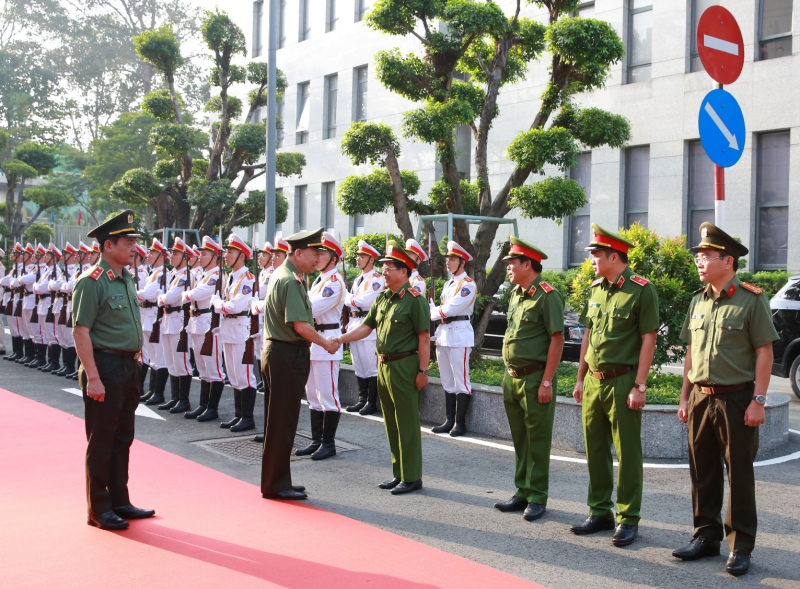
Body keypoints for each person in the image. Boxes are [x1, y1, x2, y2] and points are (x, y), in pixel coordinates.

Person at [671, 223, 778, 576]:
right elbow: (691, 352)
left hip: (737, 399)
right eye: (698, 256)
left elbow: (764, 352)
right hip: (701, 397)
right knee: (701, 470)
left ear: (728, 260)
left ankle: (740, 545)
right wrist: (685, 396)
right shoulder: (697, 300)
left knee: (740, 474)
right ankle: (705, 536)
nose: (699, 262)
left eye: (706, 256)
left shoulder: (752, 299)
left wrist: (758, 400)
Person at [570, 224, 659, 547]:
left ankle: (628, 517)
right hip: (594, 381)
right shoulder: (596, 289)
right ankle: (599, 511)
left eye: (596, 255)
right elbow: (588, 336)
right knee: (595, 450)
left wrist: (640, 385)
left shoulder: (641, 289)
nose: (592, 260)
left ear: (614, 257)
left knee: (627, 452)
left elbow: (649, 338)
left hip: (623, 381)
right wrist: (580, 378)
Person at [71, 209, 153, 530]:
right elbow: (81, 331)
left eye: (134, 242)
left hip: (128, 365)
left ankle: (120, 500)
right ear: (108, 246)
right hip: (104, 366)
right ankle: (99, 508)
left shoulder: (126, 278)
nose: (134, 248)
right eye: (128, 243)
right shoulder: (91, 282)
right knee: (102, 439)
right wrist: (93, 377)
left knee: (122, 437)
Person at [335, 240, 430, 495]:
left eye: (389, 268)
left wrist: (423, 372)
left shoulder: (415, 300)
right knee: (391, 422)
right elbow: (365, 328)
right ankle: (399, 473)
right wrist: (339, 339)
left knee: (407, 423)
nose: (384, 272)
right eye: (384, 267)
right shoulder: (383, 298)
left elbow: (424, 339)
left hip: (405, 366)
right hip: (384, 366)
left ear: (404, 271)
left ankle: (412, 477)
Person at [259, 227, 338, 500]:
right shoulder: (291, 280)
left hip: (280, 353)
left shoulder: (286, 275)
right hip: (286, 355)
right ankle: (276, 484)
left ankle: (278, 480)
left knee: (279, 421)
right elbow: (301, 326)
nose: (318, 259)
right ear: (299, 253)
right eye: (315, 253)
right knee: (282, 422)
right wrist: (326, 343)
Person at [493, 237, 564, 522]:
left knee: (537, 440)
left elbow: (557, 340)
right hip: (513, 378)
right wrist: (506, 372)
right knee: (520, 439)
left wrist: (547, 381)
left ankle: (537, 496)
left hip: (535, 378)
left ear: (528, 264)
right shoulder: (516, 294)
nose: (508, 267)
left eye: (512, 262)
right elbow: (512, 335)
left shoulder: (547, 295)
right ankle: (522, 490)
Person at [295, 232, 345, 461]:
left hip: (327, 342)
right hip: (314, 340)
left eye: (321, 254)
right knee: (313, 395)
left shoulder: (334, 283)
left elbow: (309, 309)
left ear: (333, 258)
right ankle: (316, 440)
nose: (316, 257)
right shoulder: (318, 280)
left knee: (327, 395)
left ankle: (328, 443)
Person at [429, 241, 477, 437]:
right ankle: (449, 420)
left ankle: (460, 423)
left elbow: (450, 309)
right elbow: (443, 310)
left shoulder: (468, 285)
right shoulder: (449, 283)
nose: (448, 262)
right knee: (447, 381)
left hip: (459, 335)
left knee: (461, 381)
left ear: (462, 262)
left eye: (452, 259)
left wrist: (433, 312)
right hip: (444, 335)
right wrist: (437, 312)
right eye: (447, 259)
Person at [211, 234, 257, 432]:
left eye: (231, 252)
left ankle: (248, 418)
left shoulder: (247, 279)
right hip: (229, 329)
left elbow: (235, 306)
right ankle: (239, 415)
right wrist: (223, 305)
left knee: (244, 375)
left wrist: (217, 303)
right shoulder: (232, 277)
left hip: (240, 330)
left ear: (242, 256)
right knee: (233, 375)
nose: (226, 255)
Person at [182, 235, 226, 421]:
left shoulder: (216, 276)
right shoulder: (203, 275)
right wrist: (189, 294)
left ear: (214, 257)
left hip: (209, 323)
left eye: (205, 254)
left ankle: (212, 408)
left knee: (213, 367)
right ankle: (203, 405)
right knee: (201, 366)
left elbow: (198, 294)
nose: (200, 257)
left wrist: (188, 294)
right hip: (196, 322)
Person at [343, 240, 385, 414]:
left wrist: (348, 298)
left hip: (368, 326)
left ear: (371, 259)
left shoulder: (377, 280)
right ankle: (362, 399)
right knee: (358, 364)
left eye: (362, 256)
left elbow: (364, 301)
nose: (358, 259)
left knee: (370, 366)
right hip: (354, 324)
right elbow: (355, 301)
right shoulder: (358, 280)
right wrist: (351, 299)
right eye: (358, 256)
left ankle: (371, 402)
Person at [137, 238, 170, 405]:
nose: (148, 255)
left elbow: (146, 294)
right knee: (152, 357)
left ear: (161, 256)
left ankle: (158, 392)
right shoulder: (154, 273)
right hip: (147, 316)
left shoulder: (163, 274)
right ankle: (152, 390)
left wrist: (138, 292)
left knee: (159, 356)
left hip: (155, 317)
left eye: (152, 253)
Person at [34, 244, 63, 373]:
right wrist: (37, 287)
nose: (44, 257)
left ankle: (54, 362)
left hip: (49, 304)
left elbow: (41, 288)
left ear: (54, 257)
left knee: (53, 334)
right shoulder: (47, 271)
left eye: (47, 255)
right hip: (43, 303)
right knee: (47, 334)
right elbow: (38, 287)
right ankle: (49, 361)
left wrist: (37, 287)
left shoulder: (55, 271)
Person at [52, 243, 79, 377]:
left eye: (66, 254)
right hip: (63, 304)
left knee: (70, 336)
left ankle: (70, 366)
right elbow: (54, 286)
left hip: (70, 303)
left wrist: (62, 285)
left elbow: (69, 287)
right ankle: (66, 365)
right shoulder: (65, 271)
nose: (62, 256)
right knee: (62, 335)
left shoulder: (75, 271)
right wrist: (63, 285)